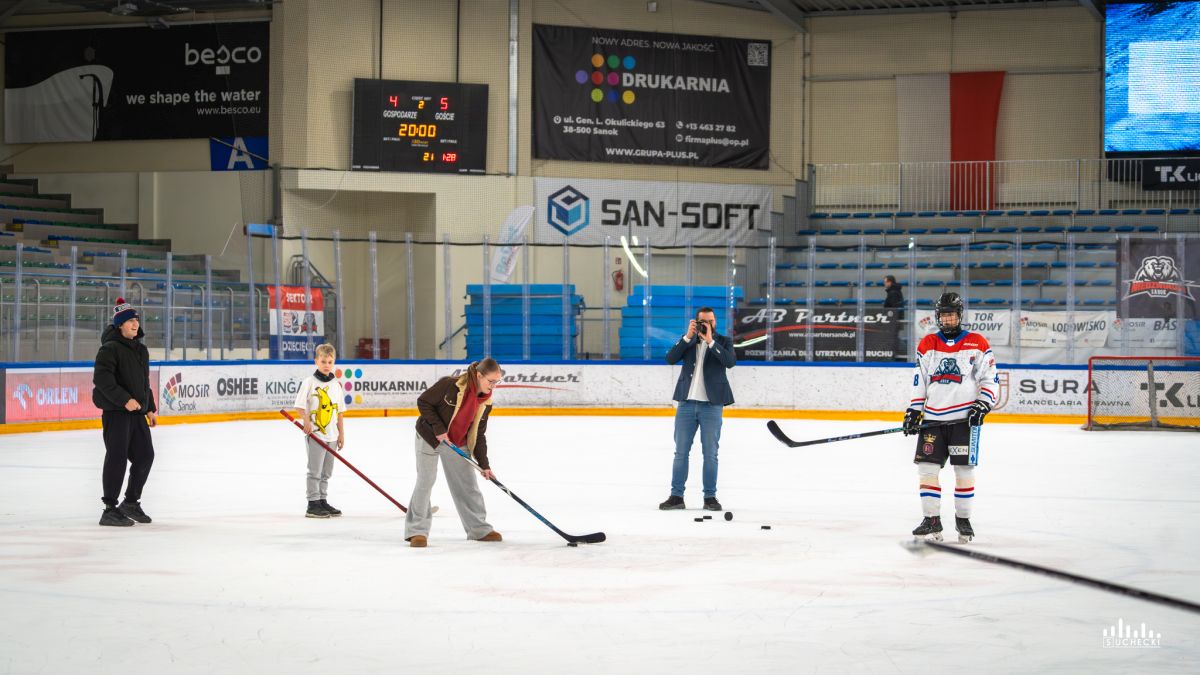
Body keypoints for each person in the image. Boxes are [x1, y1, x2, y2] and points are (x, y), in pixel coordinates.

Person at [902, 292, 997, 543]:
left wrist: (983, 404)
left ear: (959, 315)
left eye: (952, 314)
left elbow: (990, 378)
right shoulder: (928, 343)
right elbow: (919, 380)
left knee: (964, 471)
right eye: (943, 315)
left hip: (964, 422)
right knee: (926, 469)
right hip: (933, 420)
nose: (947, 319)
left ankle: (963, 519)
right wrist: (914, 410)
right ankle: (931, 519)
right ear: (938, 317)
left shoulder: (977, 342)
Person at [406, 359, 505, 548]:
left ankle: (479, 529)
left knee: (468, 485)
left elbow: (479, 435)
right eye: (491, 381)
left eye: (497, 382)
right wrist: (439, 428)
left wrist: (484, 465)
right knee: (426, 481)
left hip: (457, 442)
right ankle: (417, 531)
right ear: (479, 375)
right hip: (430, 436)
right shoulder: (450, 385)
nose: (493, 386)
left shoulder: (486, 402)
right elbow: (424, 402)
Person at [660, 307, 736, 512]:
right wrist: (687, 337)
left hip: (712, 405)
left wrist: (710, 341)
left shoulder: (724, 341)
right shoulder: (688, 341)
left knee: (710, 454)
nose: (708, 324)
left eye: (711, 321)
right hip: (686, 404)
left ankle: (710, 497)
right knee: (680, 453)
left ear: (715, 322)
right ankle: (676, 496)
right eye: (704, 321)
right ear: (696, 322)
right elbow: (670, 358)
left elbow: (730, 362)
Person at [92, 297, 157, 527]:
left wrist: (150, 408)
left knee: (145, 455)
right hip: (116, 412)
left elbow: (144, 382)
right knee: (117, 458)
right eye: (130, 321)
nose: (135, 324)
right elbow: (102, 380)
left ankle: (130, 502)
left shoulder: (141, 350)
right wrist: (124, 400)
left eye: (136, 320)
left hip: (137, 412)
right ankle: (110, 509)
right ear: (120, 325)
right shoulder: (109, 349)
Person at [293, 343, 345, 519]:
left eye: (330, 362)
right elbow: (299, 406)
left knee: (326, 472)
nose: (326, 365)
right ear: (316, 361)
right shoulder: (309, 382)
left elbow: (339, 412)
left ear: (334, 362)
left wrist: (341, 434)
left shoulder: (336, 385)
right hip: (316, 434)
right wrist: (306, 420)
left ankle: (322, 500)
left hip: (332, 435)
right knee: (315, 471)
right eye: (323, 361)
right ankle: (312, 503)